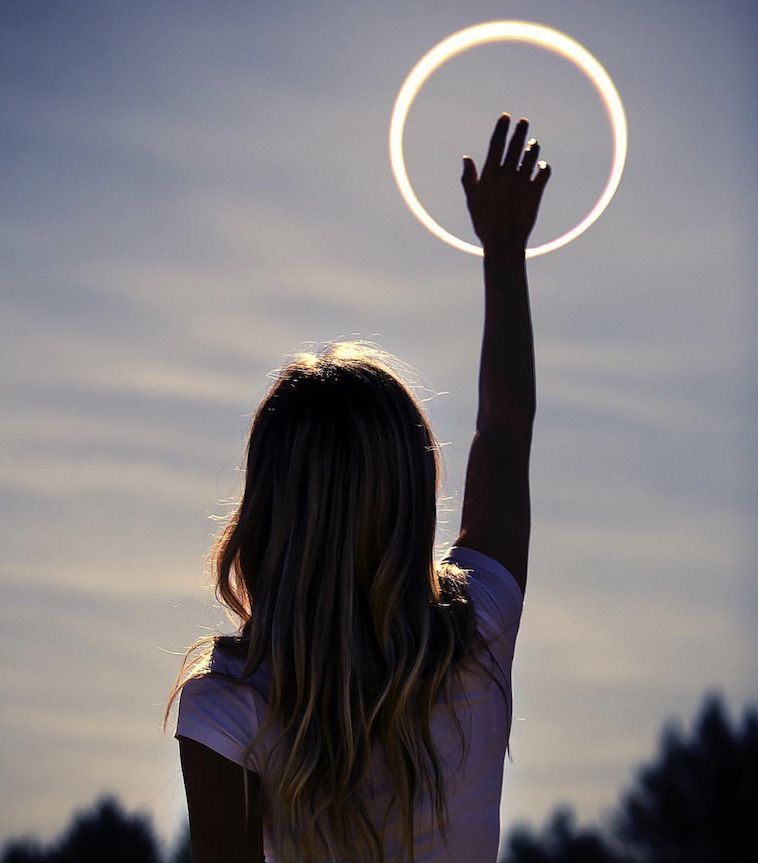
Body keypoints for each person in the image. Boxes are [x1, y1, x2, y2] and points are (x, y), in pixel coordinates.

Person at [164, 112, 551, 863]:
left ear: (268, 511)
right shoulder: (477, 628)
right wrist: (504, 251)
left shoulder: (228, 708)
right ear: (411, 493)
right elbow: (506, 430)